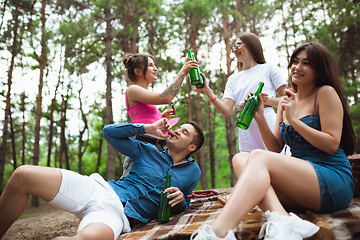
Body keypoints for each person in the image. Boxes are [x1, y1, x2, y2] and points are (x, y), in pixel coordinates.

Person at [191, 42, 356, 240]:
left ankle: (217, 232)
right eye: (295, 61)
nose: (297, 67)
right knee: (241, 158)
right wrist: (260, 118)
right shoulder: (286, 101)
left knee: (258, 157)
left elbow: (331, 144)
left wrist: (294, 121)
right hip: (301, 181)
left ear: (320, 71)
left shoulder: (325, 93)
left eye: (306, 63)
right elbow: (276, 148)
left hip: (331, 178)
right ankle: (283, 220)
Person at [0, 118, 205, 240]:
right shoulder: (147, 150)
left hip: (116, 216)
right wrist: (146, 129)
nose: (177, 130)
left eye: (184, 132)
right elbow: (110, 133)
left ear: (192, 147)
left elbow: (184, 202)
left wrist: (180, 200)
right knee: (22, 175)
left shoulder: (192, 171)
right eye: (179, 127)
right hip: (97, 189)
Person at [198, 32, 287, 153]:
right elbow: (226, 110)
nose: (235, 50)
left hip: (268, 119)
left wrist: (267, 100)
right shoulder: (233, 79)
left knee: (276, 160)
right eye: (233, 47)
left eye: (238, 45)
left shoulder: (269, 68)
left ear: (251, 45)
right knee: (251, 164)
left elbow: (287, 99)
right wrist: (207, 90)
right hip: (246, 127)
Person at [121, 53, 199, 177]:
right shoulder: (132, 89)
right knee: (133, 187)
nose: (155, 68)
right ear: (138, 71)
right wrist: (183, 72)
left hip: (156, 148)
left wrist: (161, 117)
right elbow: (166, 97)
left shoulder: (144, 94)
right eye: (151, 65)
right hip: (142, 147)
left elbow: (144, 118)